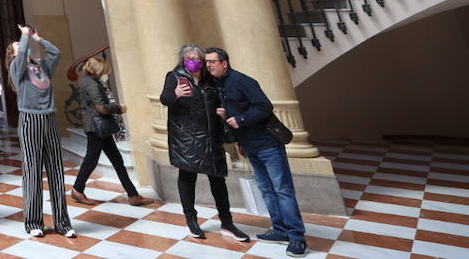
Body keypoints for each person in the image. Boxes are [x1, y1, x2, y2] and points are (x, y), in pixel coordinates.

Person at [208, 48, 308, 257]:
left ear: (224, 63)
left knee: (282, 190)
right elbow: (238, 110)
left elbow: (264, 106)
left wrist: (241, 119)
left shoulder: (241, 80)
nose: (209, 65)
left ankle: (297, 237)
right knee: (267, 190)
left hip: (267, 144)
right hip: (250, 145)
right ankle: (280, 230)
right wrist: (237, 135)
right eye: (207, 62)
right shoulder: (220, 84)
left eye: (213, 61)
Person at [160, 44, 248, 242]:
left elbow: (221, 101)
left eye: (196, 58)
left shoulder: (211, 79)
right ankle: (191, 219)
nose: (193, 62)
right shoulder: (175, 77)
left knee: (218, 179)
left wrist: (223, 113)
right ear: (183, 60)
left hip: (211, 136)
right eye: (189, 58)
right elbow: (165, 99)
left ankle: (227, 222)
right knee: (187, 176)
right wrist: (176, 94)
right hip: (186, 138)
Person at [9, 25, 73, 238]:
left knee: (56, 171)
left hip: (49, 118)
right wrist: (24, 36)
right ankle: (34, 222)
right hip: (30, 120)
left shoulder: (41, 67)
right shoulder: (16, 68)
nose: (24, 46)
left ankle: (62, 223)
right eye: (19, 46)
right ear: (14, 54)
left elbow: (57, 53)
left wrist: (38, 38)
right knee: (32, 171)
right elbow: (21, 54)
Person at [69, 54, 148, 207]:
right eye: (104, 70)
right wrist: (119, 108)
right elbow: (101, 108)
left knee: (116, 160)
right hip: (97, 127)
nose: (106, 73)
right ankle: (77, 190)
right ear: (97, 69)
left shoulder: (88, 81)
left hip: (98, 127)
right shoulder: (92, 83)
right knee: (92, 159)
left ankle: (133, 195)